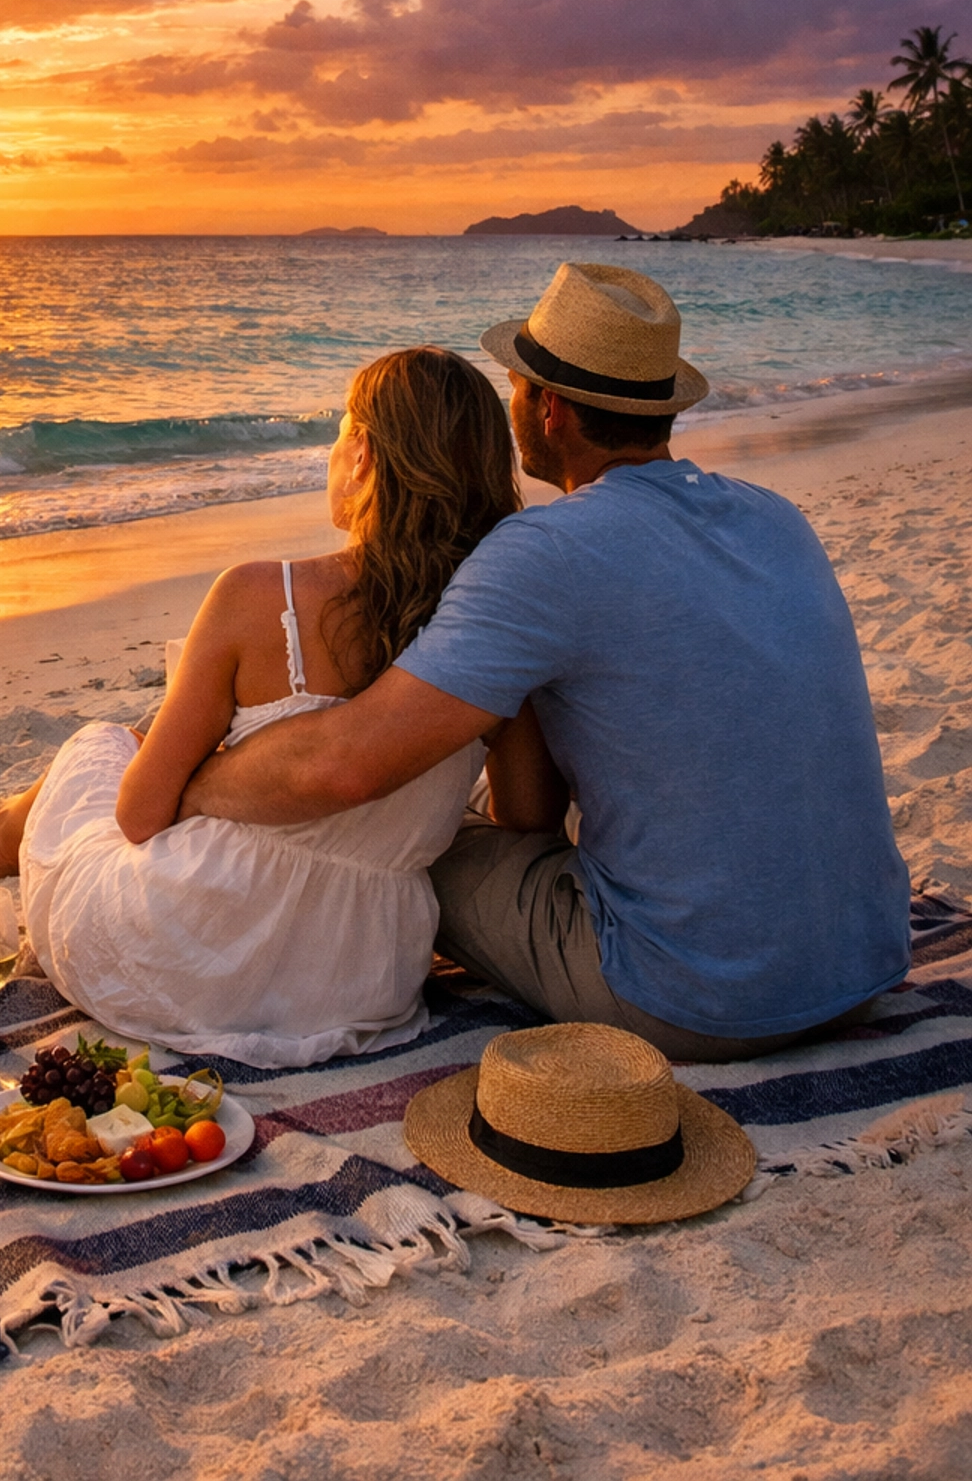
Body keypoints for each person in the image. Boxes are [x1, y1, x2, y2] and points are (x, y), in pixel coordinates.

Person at [177, 262, 912, 1064]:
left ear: (550, 408)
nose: (510, 404)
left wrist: (199, 784)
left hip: (698, 1000)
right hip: (862, 965)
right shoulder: (776, 516)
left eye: (516, 386)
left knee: (417, 844)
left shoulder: (546, 550)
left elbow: (347, 767)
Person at [0, 348, 519, 1066]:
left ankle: (5, 834)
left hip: (188, 955)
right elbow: (526, 812)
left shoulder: (260, 594)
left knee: (100, 744)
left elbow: (139, 814)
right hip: (362, 975)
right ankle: (9, 827)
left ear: (364, 458)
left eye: (342, 430)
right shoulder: (507, 627)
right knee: (132, 740)